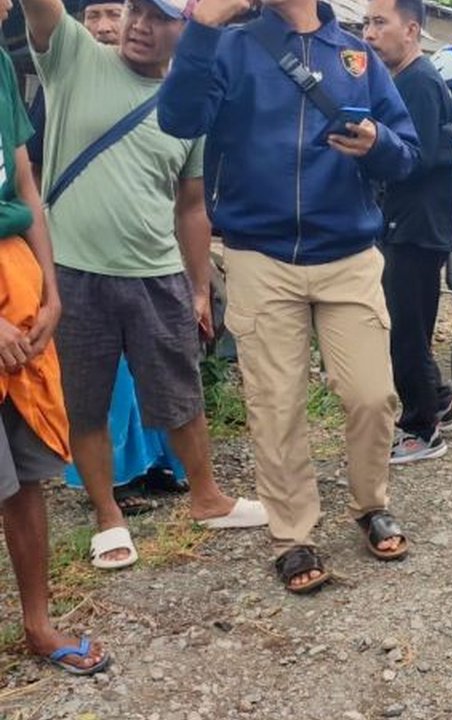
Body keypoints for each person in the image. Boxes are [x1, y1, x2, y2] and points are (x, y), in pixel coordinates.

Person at [158, 0, 420, 594]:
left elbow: (406, 153)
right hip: (261, 253)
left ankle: (370, 502)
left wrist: (378, 141)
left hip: (349, 255)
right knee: (276, 405)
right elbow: (177, 120)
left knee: (372, 394)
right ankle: (293, 535)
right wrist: (200, 28)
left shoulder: (355, 54)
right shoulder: (230, 47)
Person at [22, 0, 269, 572]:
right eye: (135, 10)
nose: (138, 25)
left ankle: (208, 498)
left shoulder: (190, 102)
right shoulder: (76, 56)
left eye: (158, 17)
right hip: (74, 271)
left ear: (186, 29)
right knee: (84, 402)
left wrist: (200, 287)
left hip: (157, 272)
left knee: (180, 393)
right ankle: (108, 516)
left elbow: (191, 206)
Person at [0, 0, 110, 672]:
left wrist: (51, 286)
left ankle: (38, 623)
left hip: (20, 286)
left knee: (24, 477)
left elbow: (26, 183)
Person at [362, 0, 452, 465]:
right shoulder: (405, 80)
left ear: (411, 30)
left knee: (405, 330)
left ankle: (421, 429)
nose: (368, 32)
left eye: (379, 23)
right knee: (411, 324)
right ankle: (441, 400)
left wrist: (369, 149)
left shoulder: (419, 82)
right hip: (409, 224)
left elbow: (416, 159)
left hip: (415, 227)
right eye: (366, 22)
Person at [27, 0, 126, 185]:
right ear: (81, 25)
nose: (103, 28)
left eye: (114, 14)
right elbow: (34, 165)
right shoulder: (61, 79)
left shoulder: (161, 84)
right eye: (93, 16)